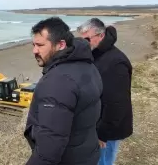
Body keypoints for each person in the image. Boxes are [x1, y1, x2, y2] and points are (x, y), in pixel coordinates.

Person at [24, 16, 103, 165]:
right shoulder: (88, 65)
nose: (34, 51)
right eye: (33, 45)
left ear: (61, 45)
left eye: (40, 45)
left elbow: (50, 146)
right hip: (87, 153)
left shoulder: (57, 81)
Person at [76, 18, 133, 165]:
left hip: (107, 130)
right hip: (96, 123)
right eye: (82, 40)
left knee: (103, 162)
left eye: (88, 39)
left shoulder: (115, 62)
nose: (84, 43)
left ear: (101, 35)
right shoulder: (96, 53)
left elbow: (117, 104)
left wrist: (103, 134)